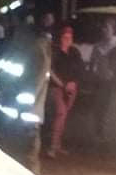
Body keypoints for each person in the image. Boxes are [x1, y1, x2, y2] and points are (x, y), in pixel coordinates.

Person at [0, 23, 51, 174]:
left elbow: (30, 91)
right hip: (7, 118)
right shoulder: (14, 50)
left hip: (23, 122)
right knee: (7, 160)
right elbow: (0, 79)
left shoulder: (35, 52)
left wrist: (11, 106)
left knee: (25, 163)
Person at [46, 26, 82, 158]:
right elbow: (50, 70)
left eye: (69, 38)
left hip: (71, 88)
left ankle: (57, 144)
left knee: (63, 116)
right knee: (60, 113)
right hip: (57, 87)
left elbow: (79, 70)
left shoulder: (75, 52)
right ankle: (52, 146)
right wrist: (62, 84)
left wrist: (73, 83)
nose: (67, 40)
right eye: (64, 37)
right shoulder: (55, 53)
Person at [89, 18, 116, 142]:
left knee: (111, 108)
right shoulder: (97, 46)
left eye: (107, 27)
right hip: (101, 81)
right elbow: (92, 63)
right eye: (103, 27)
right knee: (100, 108)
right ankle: (99, 134)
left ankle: (111, 135)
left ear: (113, 29)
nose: (104, 30)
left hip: (115, 82)